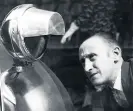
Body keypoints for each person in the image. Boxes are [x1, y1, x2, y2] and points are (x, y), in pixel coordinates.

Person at [79, 32, 133, 110]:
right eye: (83, 62)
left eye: (92, 57)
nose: (87, 68)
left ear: (115, 54)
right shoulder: (106, 96)